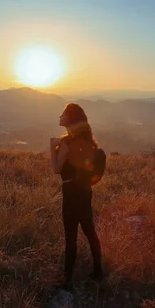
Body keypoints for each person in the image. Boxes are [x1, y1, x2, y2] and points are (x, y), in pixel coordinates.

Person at [50, 103, 103, 291]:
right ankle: (98, 272)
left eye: (63, 114)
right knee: (90, 233)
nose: (60, 116)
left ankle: (67, 280)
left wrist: (51, 147)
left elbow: (56, 169)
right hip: (85, 194)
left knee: (70, 238)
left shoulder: (65, 143)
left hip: (70, 197)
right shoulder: (88, 141)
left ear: (69, 119)